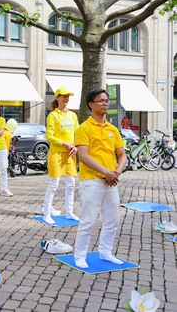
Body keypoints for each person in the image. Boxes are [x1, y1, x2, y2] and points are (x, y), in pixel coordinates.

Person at [73, 88, 127, 269]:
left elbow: (122, 155)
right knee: (87, 221)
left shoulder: (113, 129)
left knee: (112, 220)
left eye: (107, 100)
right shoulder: (84, 128)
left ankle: (105, 252)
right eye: (101, 100)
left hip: (111, 181)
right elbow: (84, 157)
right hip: (92, 180)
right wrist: (106, 172)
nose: (105, 103)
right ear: (91, 104)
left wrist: (116, 172)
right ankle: (79, 256)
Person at [37, 87, 79, 225]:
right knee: (54, 184)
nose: (66, 98)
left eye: (68, 96)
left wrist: (75, 146)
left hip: (69, 154)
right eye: (63, 96)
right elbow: (49, 136)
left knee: (71, 184)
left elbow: (78, 133)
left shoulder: (73, 115)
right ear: (57, 98)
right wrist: (65, 143)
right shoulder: (53, 116)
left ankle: (69, 212)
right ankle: (47, 214)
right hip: (56, 153)